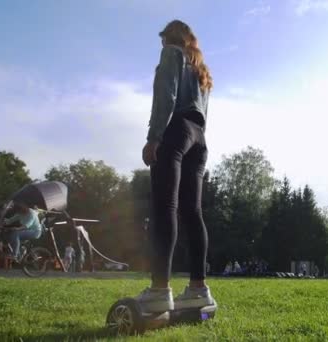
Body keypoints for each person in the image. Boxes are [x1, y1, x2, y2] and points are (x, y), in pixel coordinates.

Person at [137, 19, 215, 313]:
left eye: (163, 40)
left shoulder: (172, 54)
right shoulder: (202, 72)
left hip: (176, 131)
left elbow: (166, 96)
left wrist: (153, 138)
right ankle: (199, 290)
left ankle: (159, 290)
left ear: (171, 38)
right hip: (199, 139)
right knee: (192, 213)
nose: (162, 45)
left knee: (164, 208)